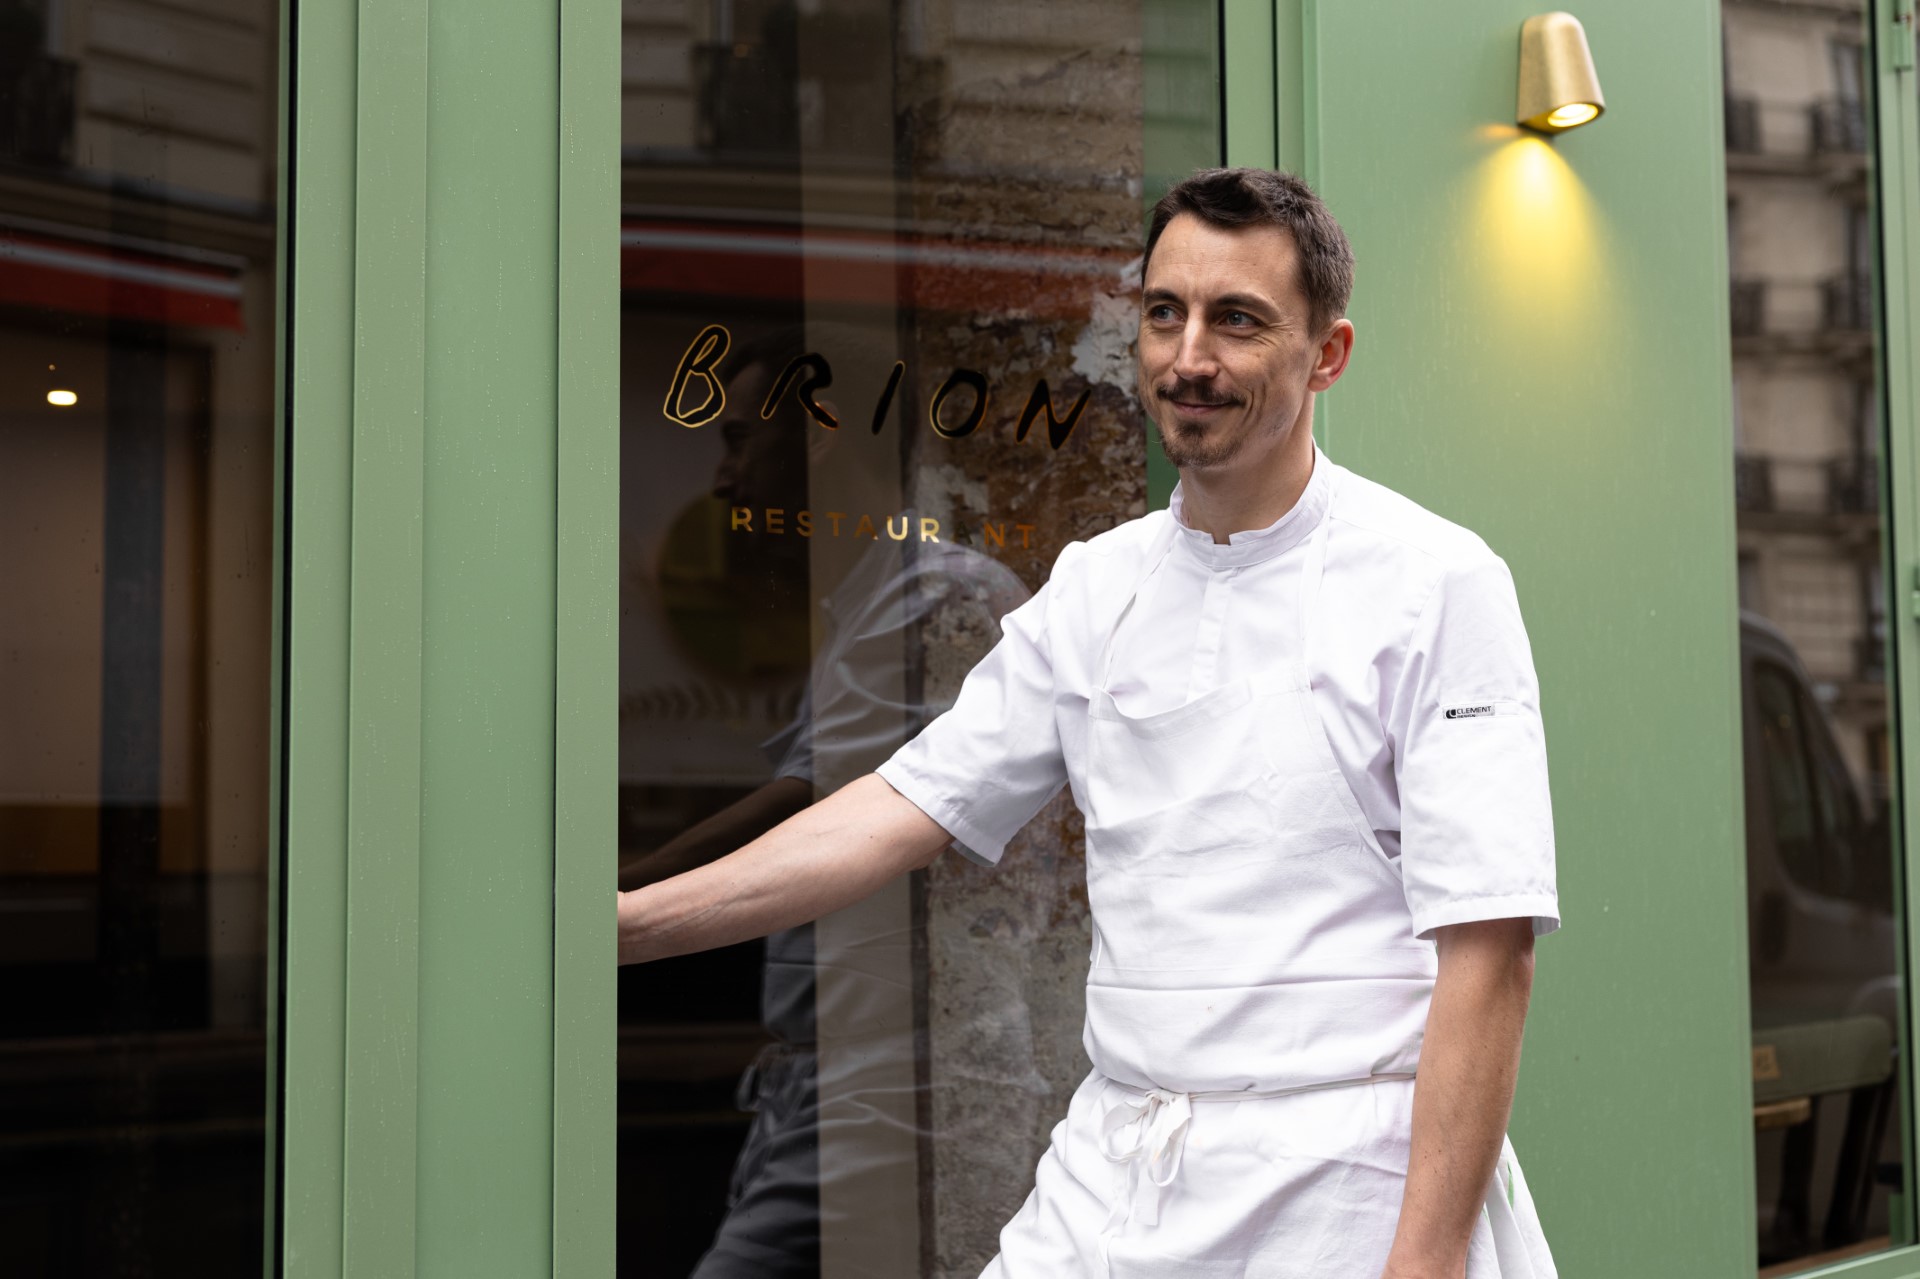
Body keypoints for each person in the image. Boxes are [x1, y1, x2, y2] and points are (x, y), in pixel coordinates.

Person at [619, 167, 1560, 1278]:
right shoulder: (1092, 587)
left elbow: (1489, 953)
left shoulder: (1439, 580)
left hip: (1343, 1182)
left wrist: (1428, 1259)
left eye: (1238, 321)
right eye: (1165, 313)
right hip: (1118, 1165)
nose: (1188, 357)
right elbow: (897, 808)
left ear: (1329, 355)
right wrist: (627, 925)